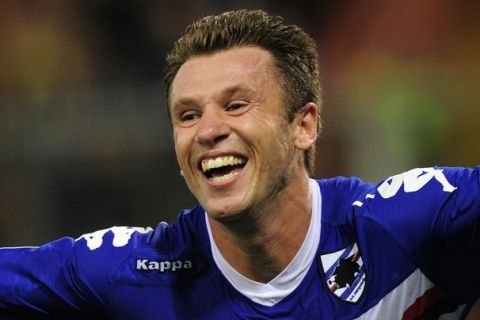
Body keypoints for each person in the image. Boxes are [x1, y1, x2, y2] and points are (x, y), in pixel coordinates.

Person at [0, 9, 479, 319]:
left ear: (304, 126)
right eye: (188, 115)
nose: (207, 131)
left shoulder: (409, 225)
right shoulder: (135, 275)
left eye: (235, 105)